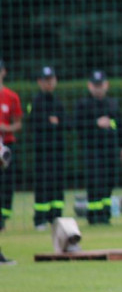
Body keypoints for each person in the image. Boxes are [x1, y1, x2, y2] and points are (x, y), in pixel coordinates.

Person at [74, 70, 122, 225]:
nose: (98, 88)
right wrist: (95, 124)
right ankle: (93, 216)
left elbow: (121, 126)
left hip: (110, 150)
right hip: (92, 151)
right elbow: (77, 126)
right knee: (95, 182)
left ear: (106, 85)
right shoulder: (83, 104)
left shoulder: (113, 104)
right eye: (95, 85)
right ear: (89, 86)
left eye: (101, 85)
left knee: (109, 182)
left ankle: (105, 215)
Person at [28, 66, 67, 229]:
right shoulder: (35, 102)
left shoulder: (58, 102)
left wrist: (55, 123)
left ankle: (56, 217)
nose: (49, 83)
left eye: (51, 79)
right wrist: (51, 123)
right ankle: (40, 219)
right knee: (42, 183)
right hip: (42, 151)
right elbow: (33, 124)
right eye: (46, 80)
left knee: (57, 184)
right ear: (40, 82)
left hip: (57, 150)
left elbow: (66, 123)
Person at [0, 59, 23, 232]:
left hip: (7, 145)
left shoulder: (11, 96)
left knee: (7, 185)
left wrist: (5, 128)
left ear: (4, 72)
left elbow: (18, 124)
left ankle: (3, 220)